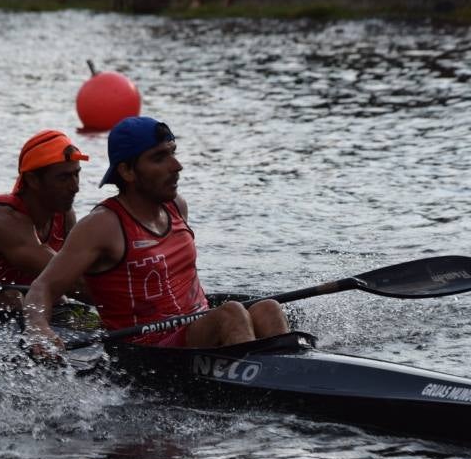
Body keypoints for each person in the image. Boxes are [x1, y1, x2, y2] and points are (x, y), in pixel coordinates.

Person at [23, 116, 290, 356]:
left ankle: (286, 373)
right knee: (231, 313)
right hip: (146, 349)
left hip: (195, 331)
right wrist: (38, 328)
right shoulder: (102, 225)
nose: (177, 166)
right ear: (127, 171)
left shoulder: (177, 206)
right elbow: (42, 288)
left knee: (268, 308)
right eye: (159, 158)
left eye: (173, 153)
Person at [0, 129, 87, 311]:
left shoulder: (65, 216)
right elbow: (73, 282)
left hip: (19, 309)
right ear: (33, 180)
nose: (75, 187)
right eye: (64, 177)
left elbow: (82, 271)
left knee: (59, 300)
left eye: (76, 174)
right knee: (12, 298)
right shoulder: (0, 221)